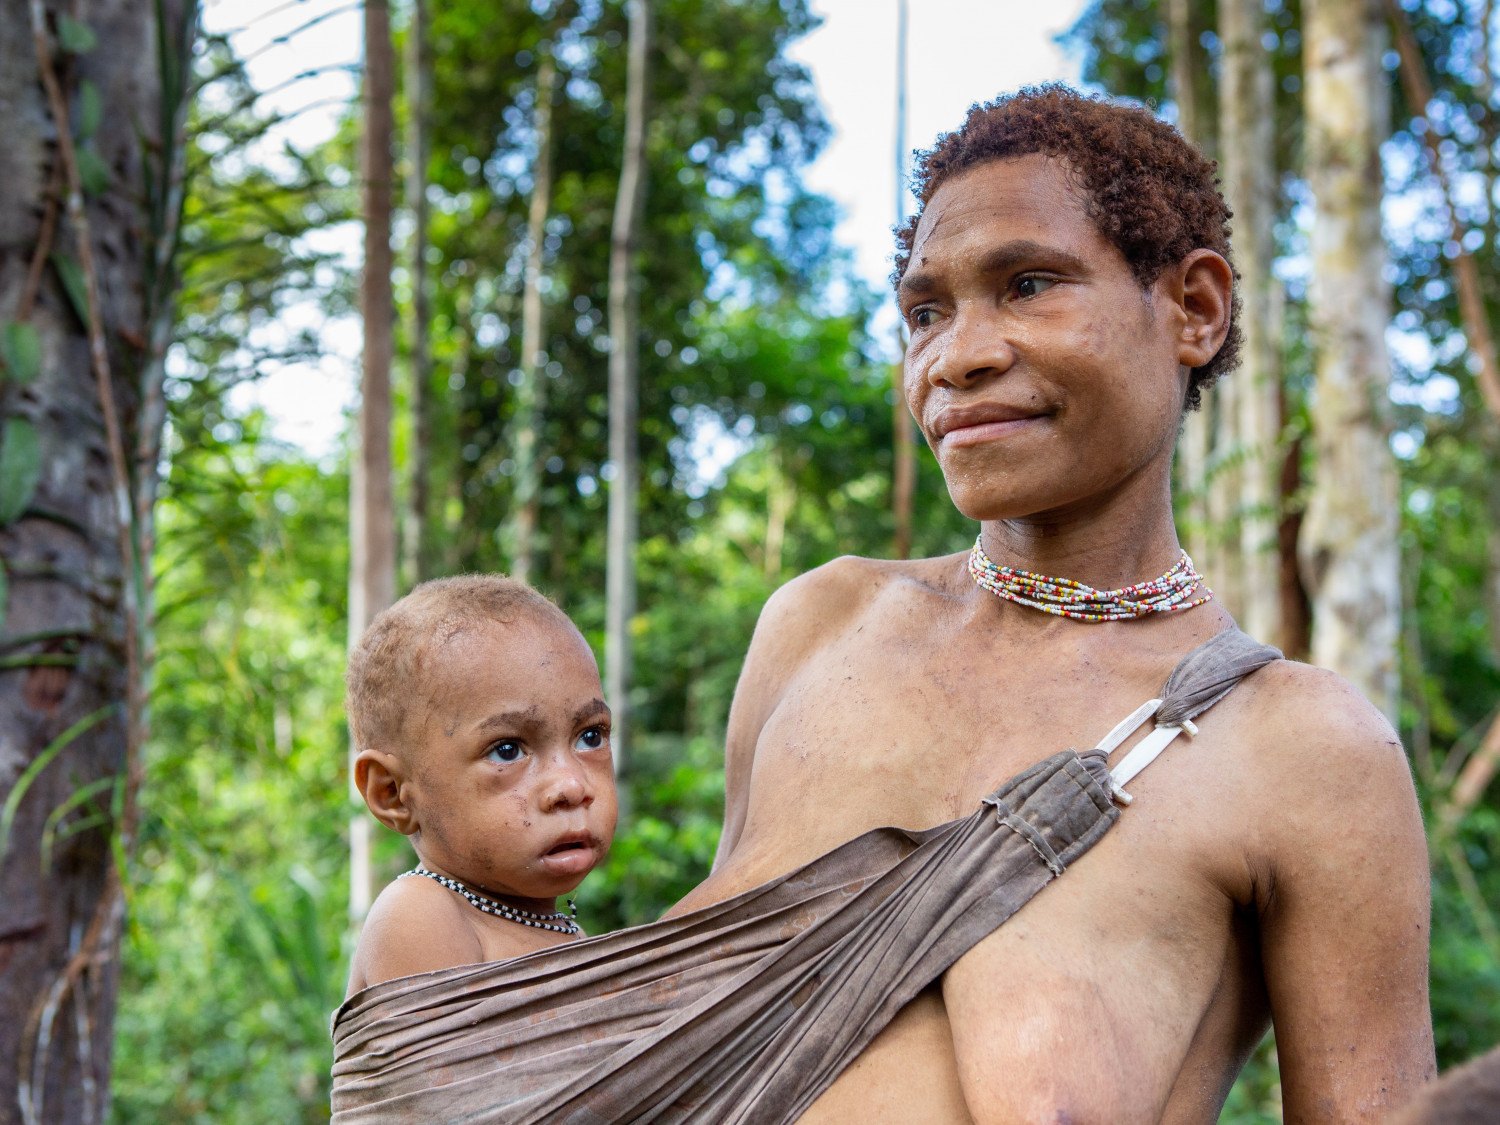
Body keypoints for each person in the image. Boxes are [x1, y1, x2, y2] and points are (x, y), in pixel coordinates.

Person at [669, 85, 1436, 1122]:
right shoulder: (820, 627)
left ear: (1194, 311)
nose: (957, 356)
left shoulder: (1303, 751)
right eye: (925, 312)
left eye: (1028, 284)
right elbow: (708, 1035)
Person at [342, 574, 617, 997]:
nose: (571, 785)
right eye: (507, 750)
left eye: (590, 737)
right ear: (393, 794)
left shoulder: (556, 929)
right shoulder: (420, 914)